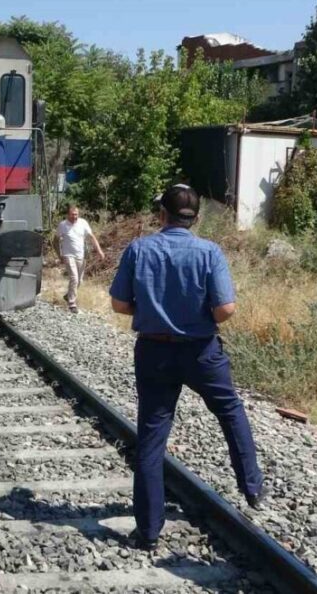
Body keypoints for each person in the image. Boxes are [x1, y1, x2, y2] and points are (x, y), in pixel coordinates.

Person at [108, 184, 265, 551]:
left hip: (154, 352)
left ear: (162, 214)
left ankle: (148, 530)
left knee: (152, 434)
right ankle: (252, 485)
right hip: (201, 352)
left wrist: (149, 313)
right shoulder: (209, 252)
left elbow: (118, 303)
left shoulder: (139, 249)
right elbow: (226, 309)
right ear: (195, 218)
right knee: (229, 409)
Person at [55, 204, 105, 313]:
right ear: (68, 215)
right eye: (72, 215)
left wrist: (99, 251)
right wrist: (60, 255)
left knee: (80, 281)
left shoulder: (83, 223)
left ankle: (68, 295)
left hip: (81, 256)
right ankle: (72, 304)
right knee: (74, 278)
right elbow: (55, 241)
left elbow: (92, 237)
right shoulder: (63, 225)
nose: (74, 217)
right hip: (68, 255)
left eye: (76, 214)